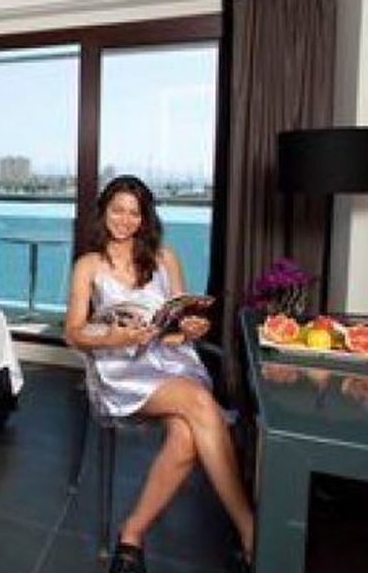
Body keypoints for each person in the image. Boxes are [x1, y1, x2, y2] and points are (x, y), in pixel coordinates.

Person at [63, 176, 254, 573]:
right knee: (200, 403)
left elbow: (178, 321)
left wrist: (190, 328)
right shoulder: (89, 265)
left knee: (186, 435)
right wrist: (113, 337)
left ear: (145, 218)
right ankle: (251, 530)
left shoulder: (165, 258)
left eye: (134, 213)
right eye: (117, 210)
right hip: (121, 367)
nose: (125, 220)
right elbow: (73, 333)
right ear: (104, 212)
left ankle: (131, 535)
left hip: (171, 360)